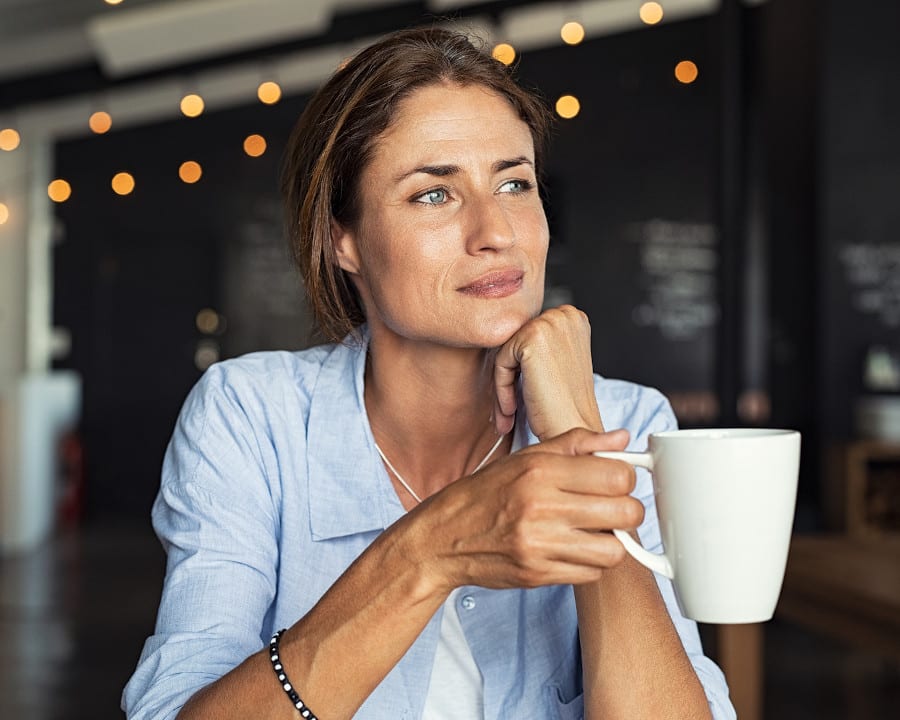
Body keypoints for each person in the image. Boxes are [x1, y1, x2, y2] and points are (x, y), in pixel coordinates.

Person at [123, 26, 735, 720]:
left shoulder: (629, 424)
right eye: (434, 195)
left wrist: (574, 428)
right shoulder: (250, 417)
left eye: (515, 183)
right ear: (341, 239)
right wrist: (431, 551)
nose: (496, 231)